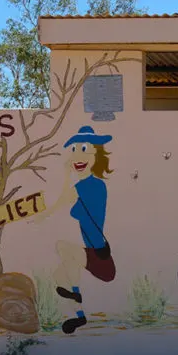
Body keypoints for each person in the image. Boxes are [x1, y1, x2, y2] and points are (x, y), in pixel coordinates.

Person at [34, 126, 116, 334]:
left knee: (64, 252)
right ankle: (79, 314)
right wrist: (65, 175)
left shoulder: (96, 186)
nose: (76, 156)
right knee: (60, 277)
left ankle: (76, 297)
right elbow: (64, 200)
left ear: (95, 155)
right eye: (74, 151)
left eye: (83, 149)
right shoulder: (81, 187)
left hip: (100, 255)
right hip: (90, 253)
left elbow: (68, 203)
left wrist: (66, 181)